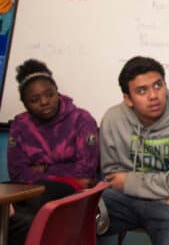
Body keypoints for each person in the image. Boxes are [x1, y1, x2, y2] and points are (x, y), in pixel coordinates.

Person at [99, 56, 169, 245]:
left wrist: (130, 182)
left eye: (158, 85)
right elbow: (113, 178)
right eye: (142, 90)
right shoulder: (113, 119)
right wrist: (162, 197)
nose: (153, 96)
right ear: (128, 99)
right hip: (133, 200)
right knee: (76, 214)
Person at [6, 59, 100, 244]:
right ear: (25, 104)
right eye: (34, 100)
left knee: (38, 199)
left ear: (57, 91)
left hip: (73, 193)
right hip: (30, 191)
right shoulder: (20, 125)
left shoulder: (81, 119)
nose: (44, 102)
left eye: (49, 95)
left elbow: (85, 172)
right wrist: (60, 170)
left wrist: (44, 170)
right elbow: (17, 173)